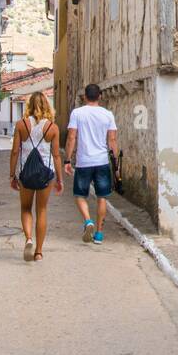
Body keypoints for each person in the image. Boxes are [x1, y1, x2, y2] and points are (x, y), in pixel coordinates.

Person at [10, 91, 63, 261]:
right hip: (45, 175)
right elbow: (56, 156)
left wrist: (12, 175)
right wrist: (60, 179)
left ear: (29, 105)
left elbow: (15, 151)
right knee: (42, 210)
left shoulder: (21, 125)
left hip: (25, 173)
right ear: (47, 105)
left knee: (26, 208)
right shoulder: (52, 128)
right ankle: (39, 252)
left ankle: (28, 238)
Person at [64, 83, 118, 244]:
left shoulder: (77, 113)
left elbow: (72, 137)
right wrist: (115, 163)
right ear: (100, 96)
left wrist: (67, 159)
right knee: (102, 197)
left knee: (80, 195)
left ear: (85, 97)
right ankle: (99, 234)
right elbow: (112, 140)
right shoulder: (108, 115)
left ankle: (88, 221)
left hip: (84, 161)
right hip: (102, 161)